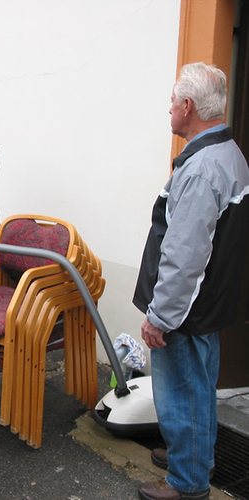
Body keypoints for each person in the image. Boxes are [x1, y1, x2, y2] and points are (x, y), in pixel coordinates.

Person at [133, 62, 249, 500]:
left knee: (183, 391)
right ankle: (192, 455)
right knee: (197, 387)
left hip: (186, 311)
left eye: (171, 102)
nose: (168, 110)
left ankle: (187, 483)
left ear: (187, 106)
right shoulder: (227, 153)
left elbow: (184, 257)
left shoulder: (201, 169)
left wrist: (159, 318)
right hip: (206, 306)